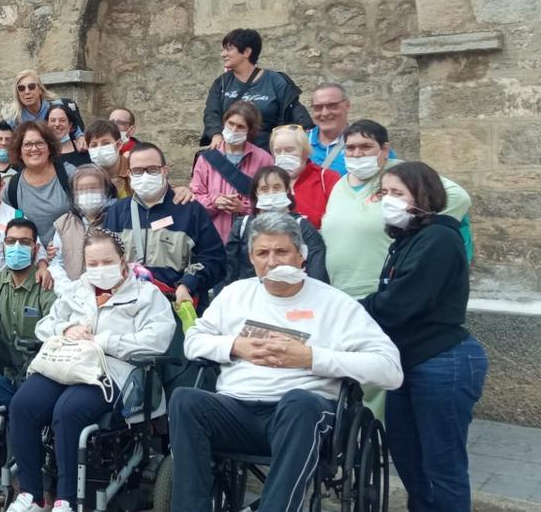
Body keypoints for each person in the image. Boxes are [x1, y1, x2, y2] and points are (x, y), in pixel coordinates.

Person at [171, 212, 403, 512]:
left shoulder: (335, 304)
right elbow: (193, 342)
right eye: (262, 253)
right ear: (251, 259)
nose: (272, 261)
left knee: (299, 403)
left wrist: (311, 358)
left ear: (301, 255)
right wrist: (235, 346)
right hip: (238, 409)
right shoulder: (234, 295)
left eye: (281, 252)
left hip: (301, 414)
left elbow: (390, 370)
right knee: (185, 399)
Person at [5, 229, 177, 512]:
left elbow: (158, 340)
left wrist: (106, 342)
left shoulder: (146, 294)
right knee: (22, 404)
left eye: (106, 261)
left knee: (68, 410)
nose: (99, 269)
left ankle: (66, 500)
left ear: (123, 259)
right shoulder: (77, 288)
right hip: (69, 363)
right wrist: (67, 328)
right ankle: (31, 495)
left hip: (116, 372)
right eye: (92, 264)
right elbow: (45, 325)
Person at [360, 162, 488, 512]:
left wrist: (348, 309)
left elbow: (399, 303)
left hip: (442, 362)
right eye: (384, 193)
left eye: (398, 193)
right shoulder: (407, 241)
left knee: (441, 465)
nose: (389, 200)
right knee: (408, 457)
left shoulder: (439, 239)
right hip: (408, 364)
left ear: (424, 196)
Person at [321, 120, 471, 299]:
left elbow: (458, 197)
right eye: (350, 148)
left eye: (366, 147)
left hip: (382, 293)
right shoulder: (340, 184)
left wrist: (419, 224)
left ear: (384, 149)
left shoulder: (400, 174)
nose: (357, 154)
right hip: (341, 292)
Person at [103, 142, 224, 307]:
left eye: (152, 169)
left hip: (176, 306)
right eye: (138, 171)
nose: (145, 176)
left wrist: (188, 284)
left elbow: (214, 259)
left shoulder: (190, 209)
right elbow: (106, 259)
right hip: (128, 308)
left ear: (164, 170)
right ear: (129, 173)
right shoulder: (117, 211)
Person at [0, 218, 58, 407]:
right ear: (3, 246)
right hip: (9, 379)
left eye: (25, 242)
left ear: (35, 249)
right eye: (11, 241)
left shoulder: (46, 283)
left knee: (22, 405)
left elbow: (56, 335)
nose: (16, 246)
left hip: (41, 378)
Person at [201, 28, 313, 151]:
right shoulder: (221, 83)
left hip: (267, 155)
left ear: (247, 52)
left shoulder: (276, 81)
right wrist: (216, 135)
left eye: (229, 49)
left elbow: (296, 113)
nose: (223, 54)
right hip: (230, 154)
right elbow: (211, 114)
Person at [224, 166, 327, 284]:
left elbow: (317, 270)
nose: (271, 193)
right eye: (264, 189)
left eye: (277, 188)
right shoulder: (242, 226)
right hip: (251, 295)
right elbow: (229, 268)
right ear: (256, 192)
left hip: (292, 292)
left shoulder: (302, 226)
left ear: (287, 190)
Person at [191, 101, 274, 243]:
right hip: (212, 236)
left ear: (250, 130)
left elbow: (272, 202)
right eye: (231, 123)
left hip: (250, 238)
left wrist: (244, 207)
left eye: (241, 126)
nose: (234, 130)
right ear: (224, 123)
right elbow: (194, 196)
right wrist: (215, 201)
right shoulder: (206, 158)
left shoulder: (264, 159)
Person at [3, 121, 76, 245]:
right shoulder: (12, 186)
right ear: (19, 151)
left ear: (49, 148)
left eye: (40, 143)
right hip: (30, 257)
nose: (34, 148)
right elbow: (0, 219)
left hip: (69, 254)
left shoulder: (69, 175)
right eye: (27, 144)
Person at [306, 82, 395, 176]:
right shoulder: (299, 143)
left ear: (347, 106)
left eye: (332, 106)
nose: (324, 113)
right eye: (318, 108)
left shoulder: (369, 143)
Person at [48, 165, 112, 283]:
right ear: (73, 194)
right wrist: (65, 287)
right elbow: (57, 261)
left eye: (94, 188)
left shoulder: (114, 221)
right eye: (81, 190)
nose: (88, 194)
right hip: (73, 292)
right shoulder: (63, 224)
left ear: (105, 191)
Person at [270, 123, 340, 229]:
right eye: (278, 151)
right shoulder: (268, 181)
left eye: (289, 150)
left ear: (305, 151)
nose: (283, 155)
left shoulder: (327, 178)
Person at [1, 70, 86, 147]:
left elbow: (74, 129)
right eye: (21, 88)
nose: (27, 92)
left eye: (31, 86)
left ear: (40, 90)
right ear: (18, 93)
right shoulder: (14, 115)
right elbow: (3, 137)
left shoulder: (55, 106)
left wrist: (80, 137)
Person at [84, 119, 128, 197]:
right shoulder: (87, 179)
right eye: (94, 145)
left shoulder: (133, 169)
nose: (99, 149)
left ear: (119, 145)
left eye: (106, 143)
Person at [48, 103, 91, 168]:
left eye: (62, 120)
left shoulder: (83, 147)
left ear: (70, 125)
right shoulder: (41, 150)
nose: (57, 124)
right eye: (52, 120)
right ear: (47, 124)